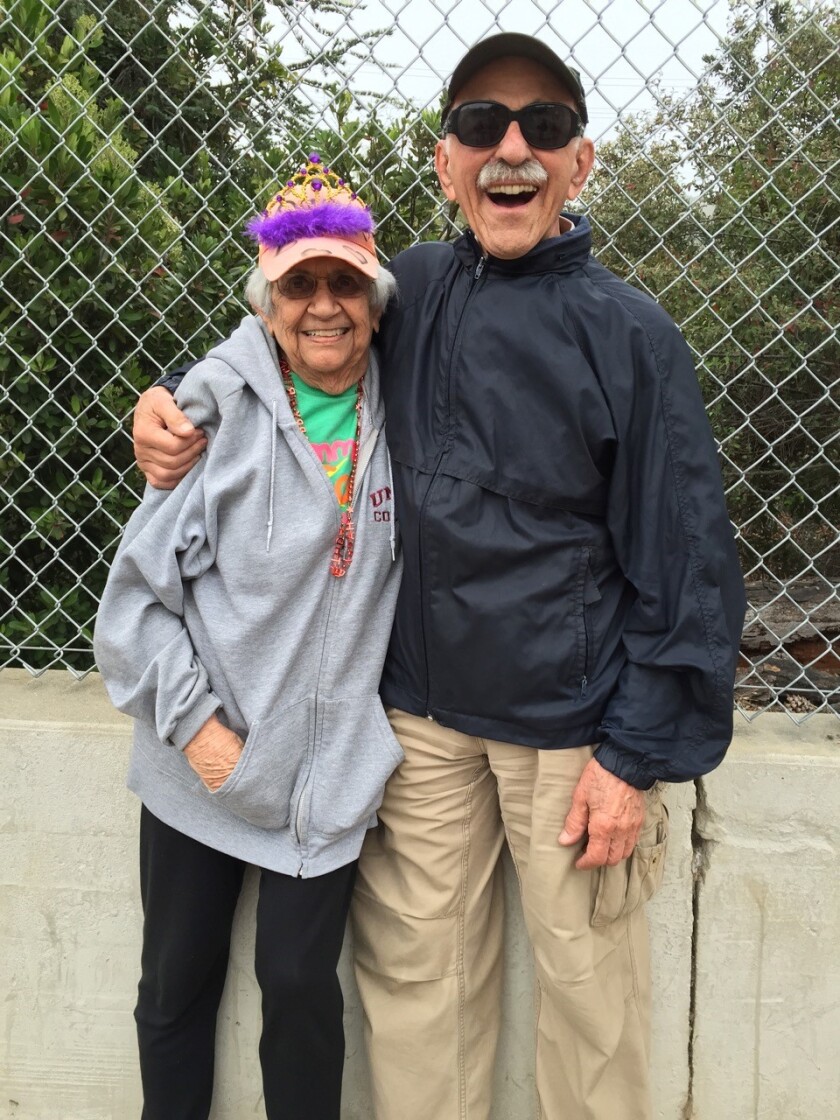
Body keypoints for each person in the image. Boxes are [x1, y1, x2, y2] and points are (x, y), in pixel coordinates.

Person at [131, 33, 746, 1120]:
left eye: (543, 127)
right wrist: (173, 399)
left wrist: (637, 752)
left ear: (581, 163)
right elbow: (285, 335)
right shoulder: (406, 287)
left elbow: (688, 565)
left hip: (574, 733)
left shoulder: (634, 338)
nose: (512, 149)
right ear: (445, 160)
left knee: (591, 1006)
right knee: (417, 999)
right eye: (481, 126)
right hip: (417, 728)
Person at [93, 158, 403, 1120]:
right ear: (266, 302)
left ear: (378, 301)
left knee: (302, 992)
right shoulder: (211, 414)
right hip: (205, 761)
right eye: (298, 284)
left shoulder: (416, 411)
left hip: (329, 774)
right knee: (175, 989)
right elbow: (134, 604)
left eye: (344, 283)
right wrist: (198, 731)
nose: (323, 306)